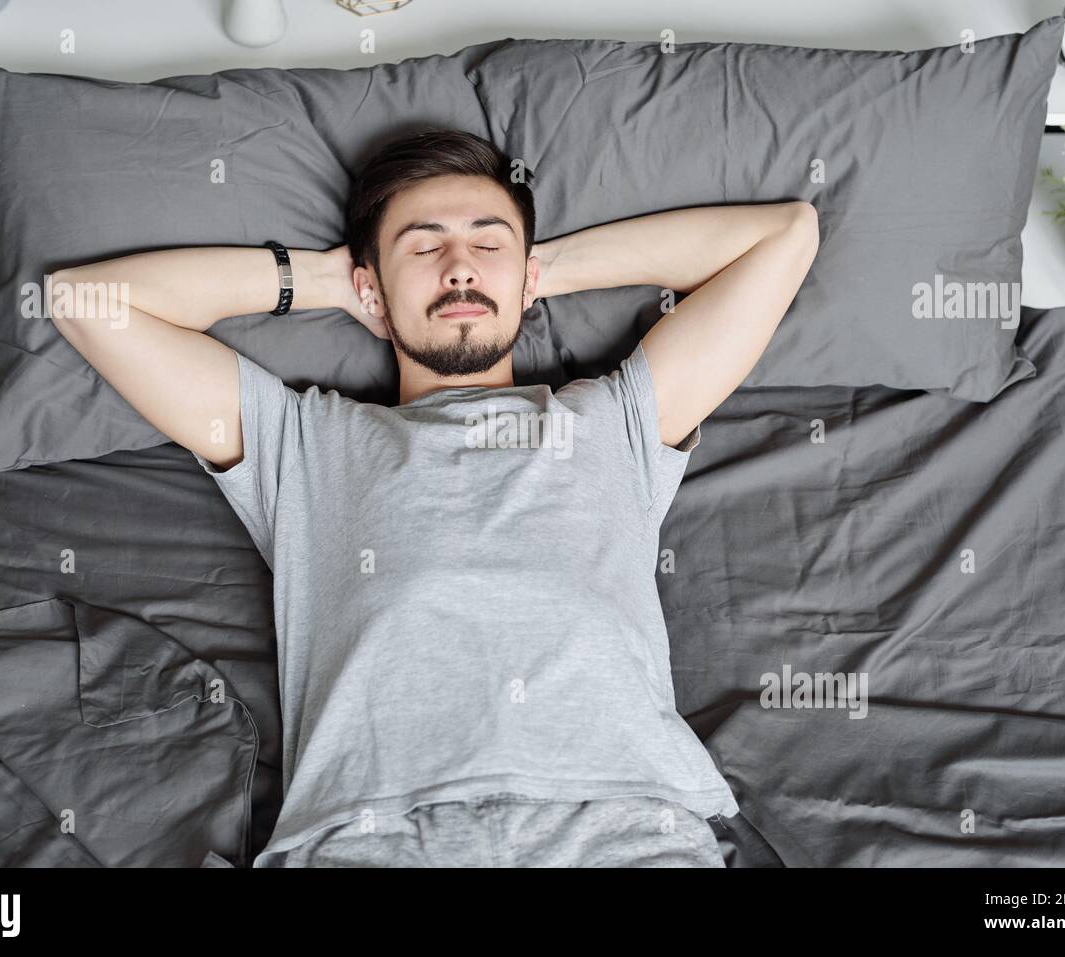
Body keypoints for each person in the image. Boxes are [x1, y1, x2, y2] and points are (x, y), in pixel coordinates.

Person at [48, 128, 819, 867]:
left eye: (487, 242)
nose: (458, 266)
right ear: (372, 288)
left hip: (625, 825)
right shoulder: (305, 441)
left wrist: (537, 269)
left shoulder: (615, 419)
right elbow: (85, 301)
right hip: (371, 836)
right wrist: (329, 280)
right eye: (423, 247)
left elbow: (786, 235)